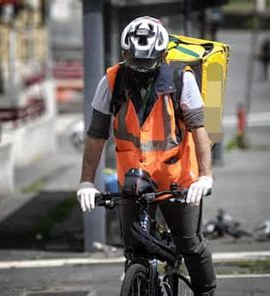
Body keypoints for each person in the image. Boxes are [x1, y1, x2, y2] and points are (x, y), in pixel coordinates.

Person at [76, 16, 216, 296]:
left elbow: (199, 129)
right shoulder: (112, 81)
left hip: (178, 181)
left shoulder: (181, 79)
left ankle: (207, 292)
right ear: (125, 54)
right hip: (134, 181)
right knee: (134, 253)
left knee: (189, 243)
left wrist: (205, 177)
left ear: (162, 56)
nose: (141, 70)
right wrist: (86, 182)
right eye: (135, 62)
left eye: (147, 63)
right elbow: (96, 134)